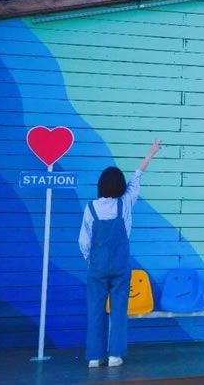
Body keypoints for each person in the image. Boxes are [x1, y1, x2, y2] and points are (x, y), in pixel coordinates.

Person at [79, 140, 161, 368]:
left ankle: (94, 357)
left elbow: (83, 241)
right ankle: (115, 355)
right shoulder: (124, 204)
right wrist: (151, 153)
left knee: (95, 311)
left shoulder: (91, 208)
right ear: (120, 186)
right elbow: (136, 179)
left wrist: (90, 260)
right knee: (118, 311)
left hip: (97, 267)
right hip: (120, 266)